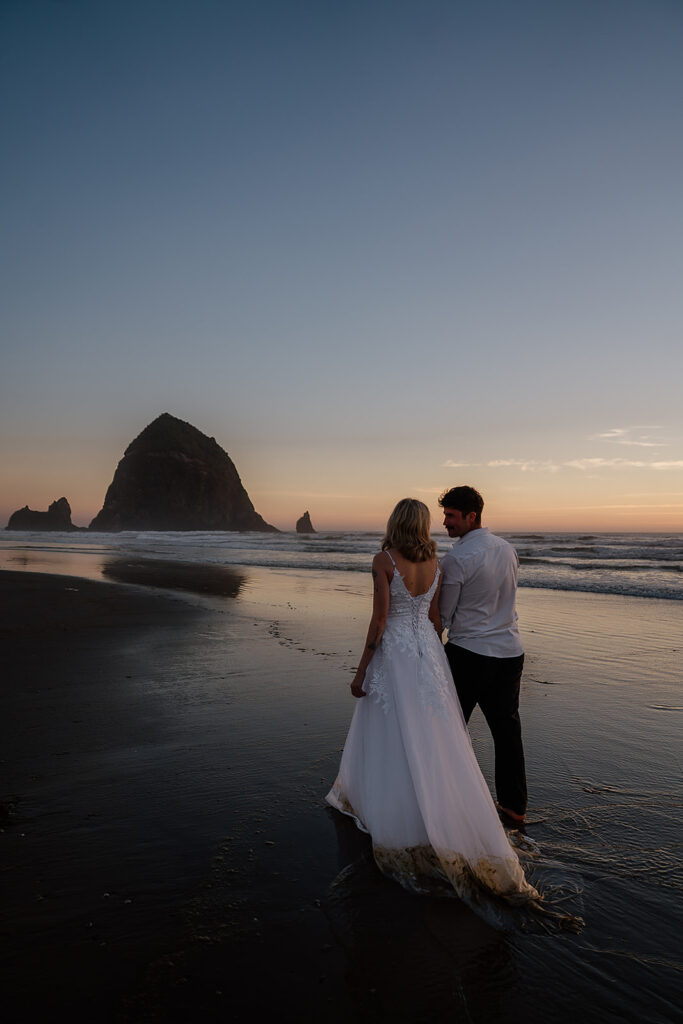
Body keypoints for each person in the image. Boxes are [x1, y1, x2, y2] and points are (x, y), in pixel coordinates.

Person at [326, 498, 540, 928]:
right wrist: (428, 653)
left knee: (391, 727)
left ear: (394, 522)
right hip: (434, 653)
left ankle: (394, 809)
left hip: (401, 652)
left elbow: (380, 620)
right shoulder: (439, 560)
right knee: (441, 733)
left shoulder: (384, 560)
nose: (444, 522)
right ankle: (488, 808)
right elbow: (436, 616)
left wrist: (361, 669)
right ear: (423, 525)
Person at [438, 486, 527, 824]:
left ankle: (450, 799)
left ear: (470, 516)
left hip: (469, 654)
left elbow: (444, 618)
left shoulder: (457, 558)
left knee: (449, 728)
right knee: (507, 732)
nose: (445, 522)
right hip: (509, 652)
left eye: (451, 516)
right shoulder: (507, 550)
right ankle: (514, 807)